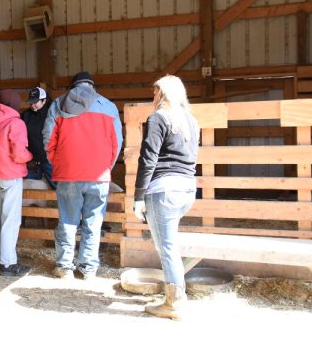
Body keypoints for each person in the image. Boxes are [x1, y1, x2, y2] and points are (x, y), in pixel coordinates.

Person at [43, 71, 122, 280]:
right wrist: (106, 166)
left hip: (68, 173)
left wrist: (59, 163)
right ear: (92, 86)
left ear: (73, 86)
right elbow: (116, 144)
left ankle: (64, 268)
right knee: (93, 223)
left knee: (67, 221)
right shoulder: (109, 107)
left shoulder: (58, 105)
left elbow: (48, 140)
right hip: (99, 175)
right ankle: (88, 269)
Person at [133, 75, 199, 320]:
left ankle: (174, 303)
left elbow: (147, 159)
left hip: (163, 190)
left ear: (163, 94)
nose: (153, 97)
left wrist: (138, 196)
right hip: (186, 189)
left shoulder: (158, 118)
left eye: (155, 93)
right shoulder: (191, 121)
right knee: (170, 244)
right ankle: (176, 294)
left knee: (167, 248)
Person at [0, 89, 33, 277]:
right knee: (10, 220)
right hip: (10, 176)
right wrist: (30, 156)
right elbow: (19, 154)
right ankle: (8, 264)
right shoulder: (15, 123)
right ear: (15, 105)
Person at [21, 86, 55, 190]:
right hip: (32, 161)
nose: (32, 105)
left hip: (49, 160)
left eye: (36, 102)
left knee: (58, 188)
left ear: (44, 100)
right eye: (31, 102)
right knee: (28, 191)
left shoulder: (52, 114)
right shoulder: (26, 115)